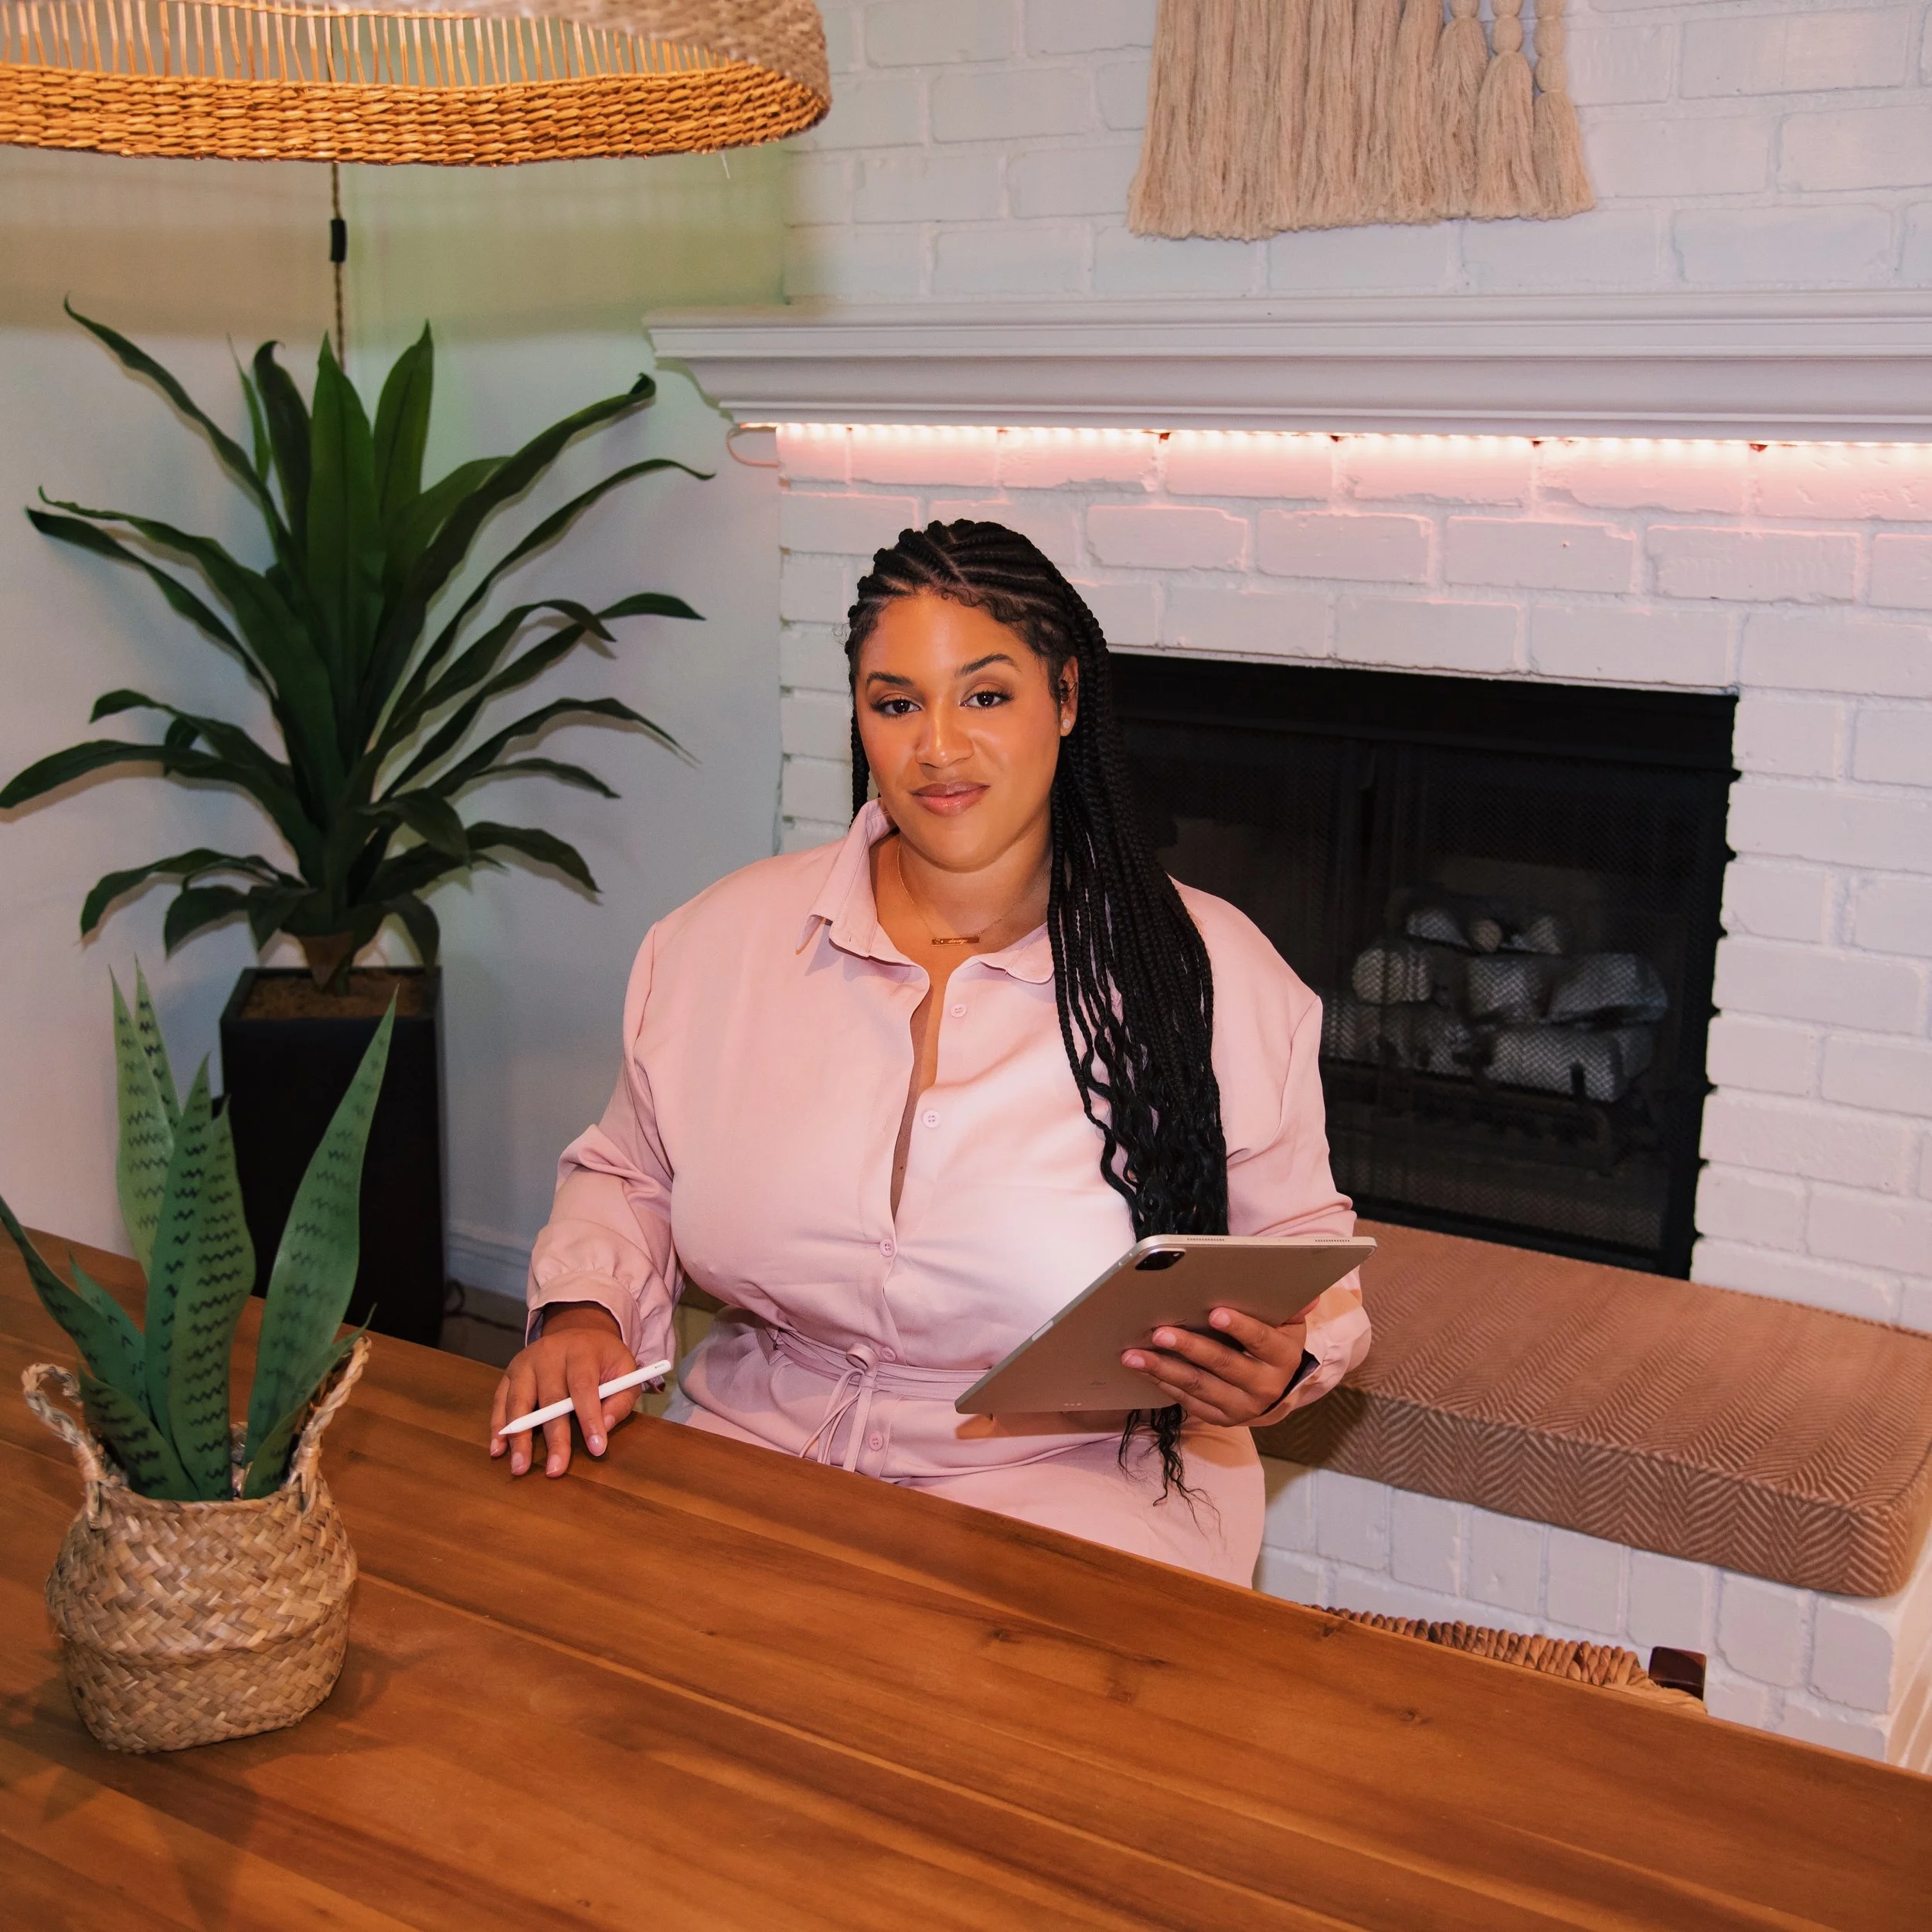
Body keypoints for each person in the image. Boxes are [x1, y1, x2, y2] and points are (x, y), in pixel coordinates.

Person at [490, 521, 1368, 1584]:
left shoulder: (1214, 974)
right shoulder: (718, 942)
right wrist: (584, 1309)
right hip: (759, 1448)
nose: (937, 748)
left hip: (1078, 1489)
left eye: (986, 696)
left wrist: (1282, 1363)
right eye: (896, 703)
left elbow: (1303, 1256)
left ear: (1068, 698)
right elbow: (630, 1173)